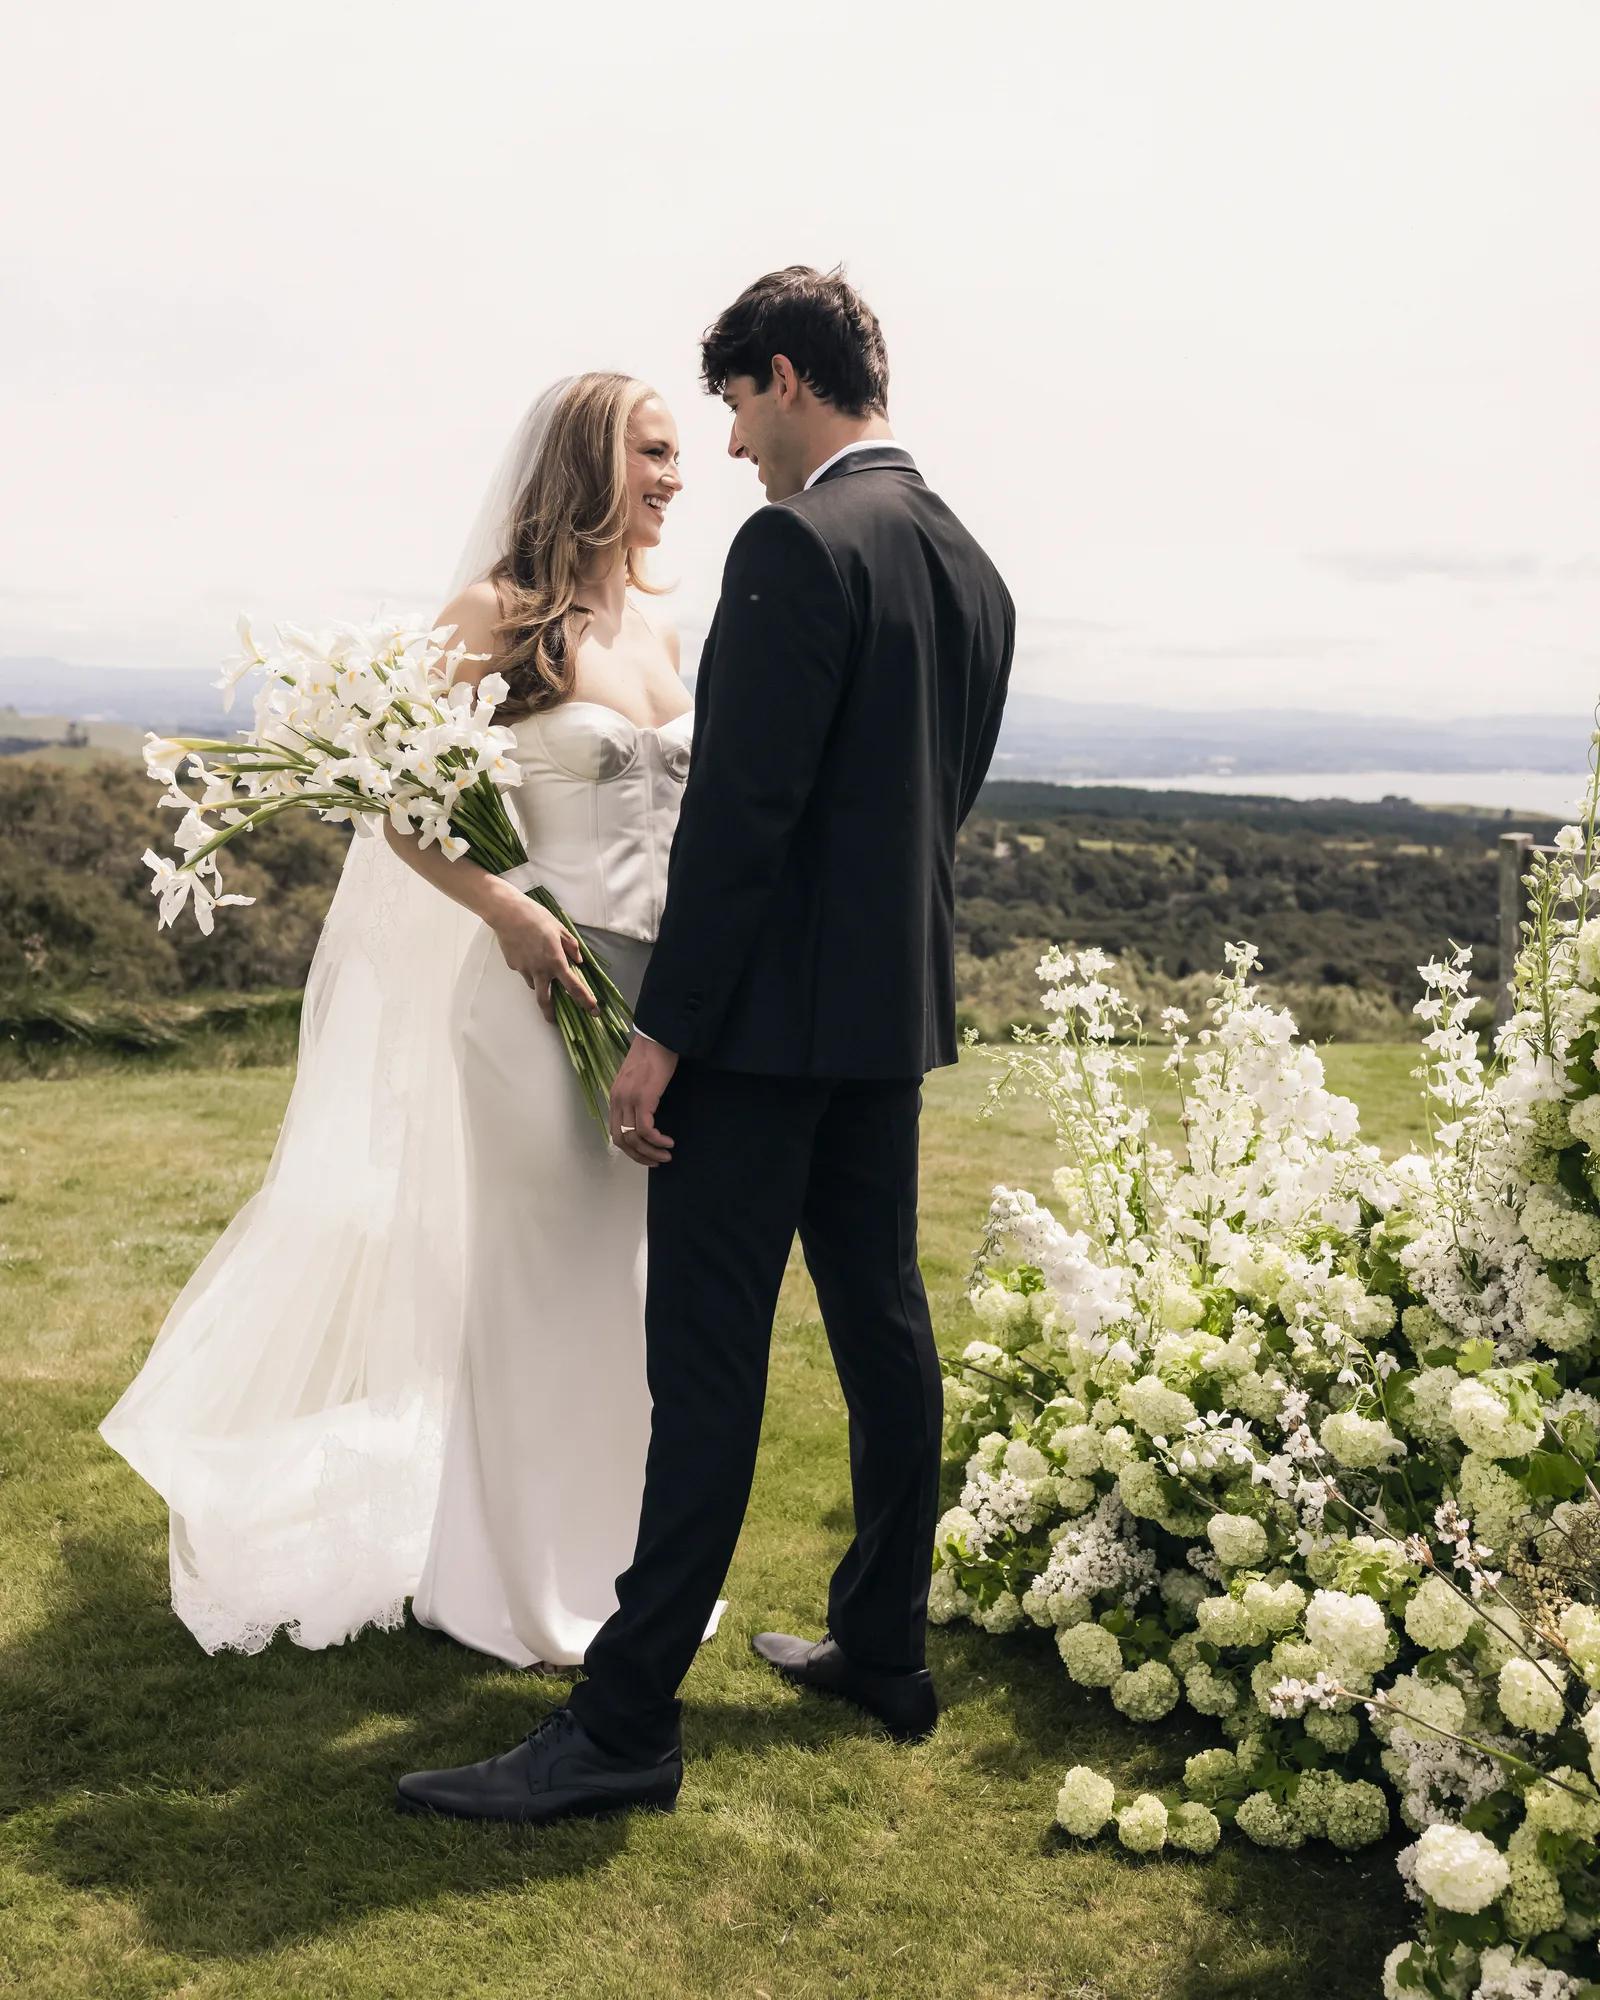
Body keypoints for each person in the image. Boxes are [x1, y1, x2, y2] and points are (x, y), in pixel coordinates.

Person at [396, 266, 1015, 1824]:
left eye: (735, 406)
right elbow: (930, 810)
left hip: (757, 1028)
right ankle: (885, 1645)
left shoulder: (797, 547)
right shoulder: (970, 564)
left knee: (709, 1369)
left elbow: (744, 826)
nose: (731, 446)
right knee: (883, 1326)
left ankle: (622, 1726)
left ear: (788, 378)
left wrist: (664, 1033)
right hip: (889, 1029)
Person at [100, 371, 724, 1671]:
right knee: (537, 1287)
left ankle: (614, 1563)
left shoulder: (662, 631)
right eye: (653, 452)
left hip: (651, 1004)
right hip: (530, 990)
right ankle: (506, 1578)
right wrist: (508, 913)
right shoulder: (498, 616)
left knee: (628, 1296)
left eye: (678, 455)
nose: (676, 475)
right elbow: (403, 810)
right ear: (587, 461)